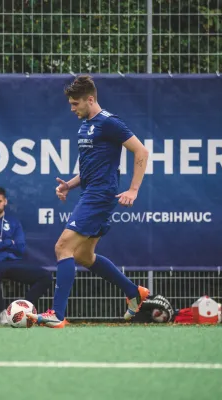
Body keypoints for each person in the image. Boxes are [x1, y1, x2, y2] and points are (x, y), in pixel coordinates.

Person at [28, 75, 150, 328]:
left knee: (63, 247)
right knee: (83, 255)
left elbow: (141, 151)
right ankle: (133, 291)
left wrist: (134, 189)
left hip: (100, 196)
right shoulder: (85, 125)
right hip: (90, 192)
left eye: (75, 104)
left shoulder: (109, 123)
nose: (72, 109)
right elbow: (91, 168)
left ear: (90, 99)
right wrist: (69, 185)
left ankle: (57, 315)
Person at [0, 187, 53, 325]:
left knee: (46, 276)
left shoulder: (14, 221)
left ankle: (23, 309)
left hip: (13, 261)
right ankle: (2, 313)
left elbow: (20, 247)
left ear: (5, 201)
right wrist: (8, 242)